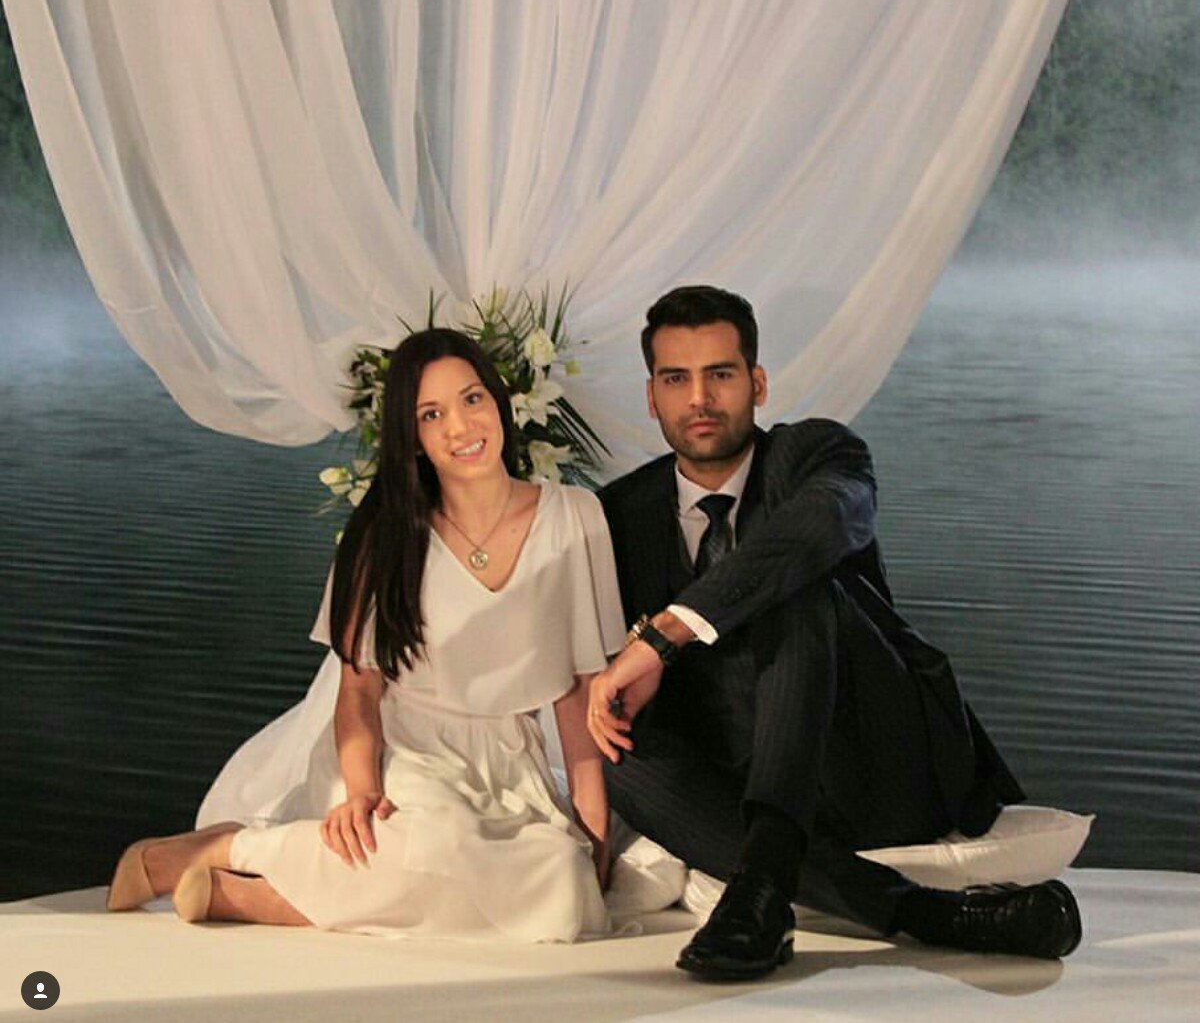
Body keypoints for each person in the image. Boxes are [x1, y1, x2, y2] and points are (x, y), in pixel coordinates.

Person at [588, 285, 1083, 979]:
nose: (699, 398)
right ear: (651, 396)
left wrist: (663, 634)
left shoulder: (819, 454)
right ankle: (910, 911)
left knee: (795, 583)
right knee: (606, 737)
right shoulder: (620, 511)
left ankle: (765, 884)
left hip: (875, 761)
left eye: (720, 374)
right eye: (676, 379)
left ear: (758, 383)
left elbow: (823, 524)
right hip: (737, 780)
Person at [107, 328, 626, 941]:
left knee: (565, 888)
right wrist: (362, 792)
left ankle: (240, 889)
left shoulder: (574, 516)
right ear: (412, 438)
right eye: (431, 415)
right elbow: (358, 692)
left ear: (499, 402)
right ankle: (227, 850)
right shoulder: (385, 535)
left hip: (511, 766)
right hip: (405, 752)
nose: (460, 427)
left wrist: (593, 828)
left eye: (472, 399)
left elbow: (580, 690)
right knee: (436, 843)